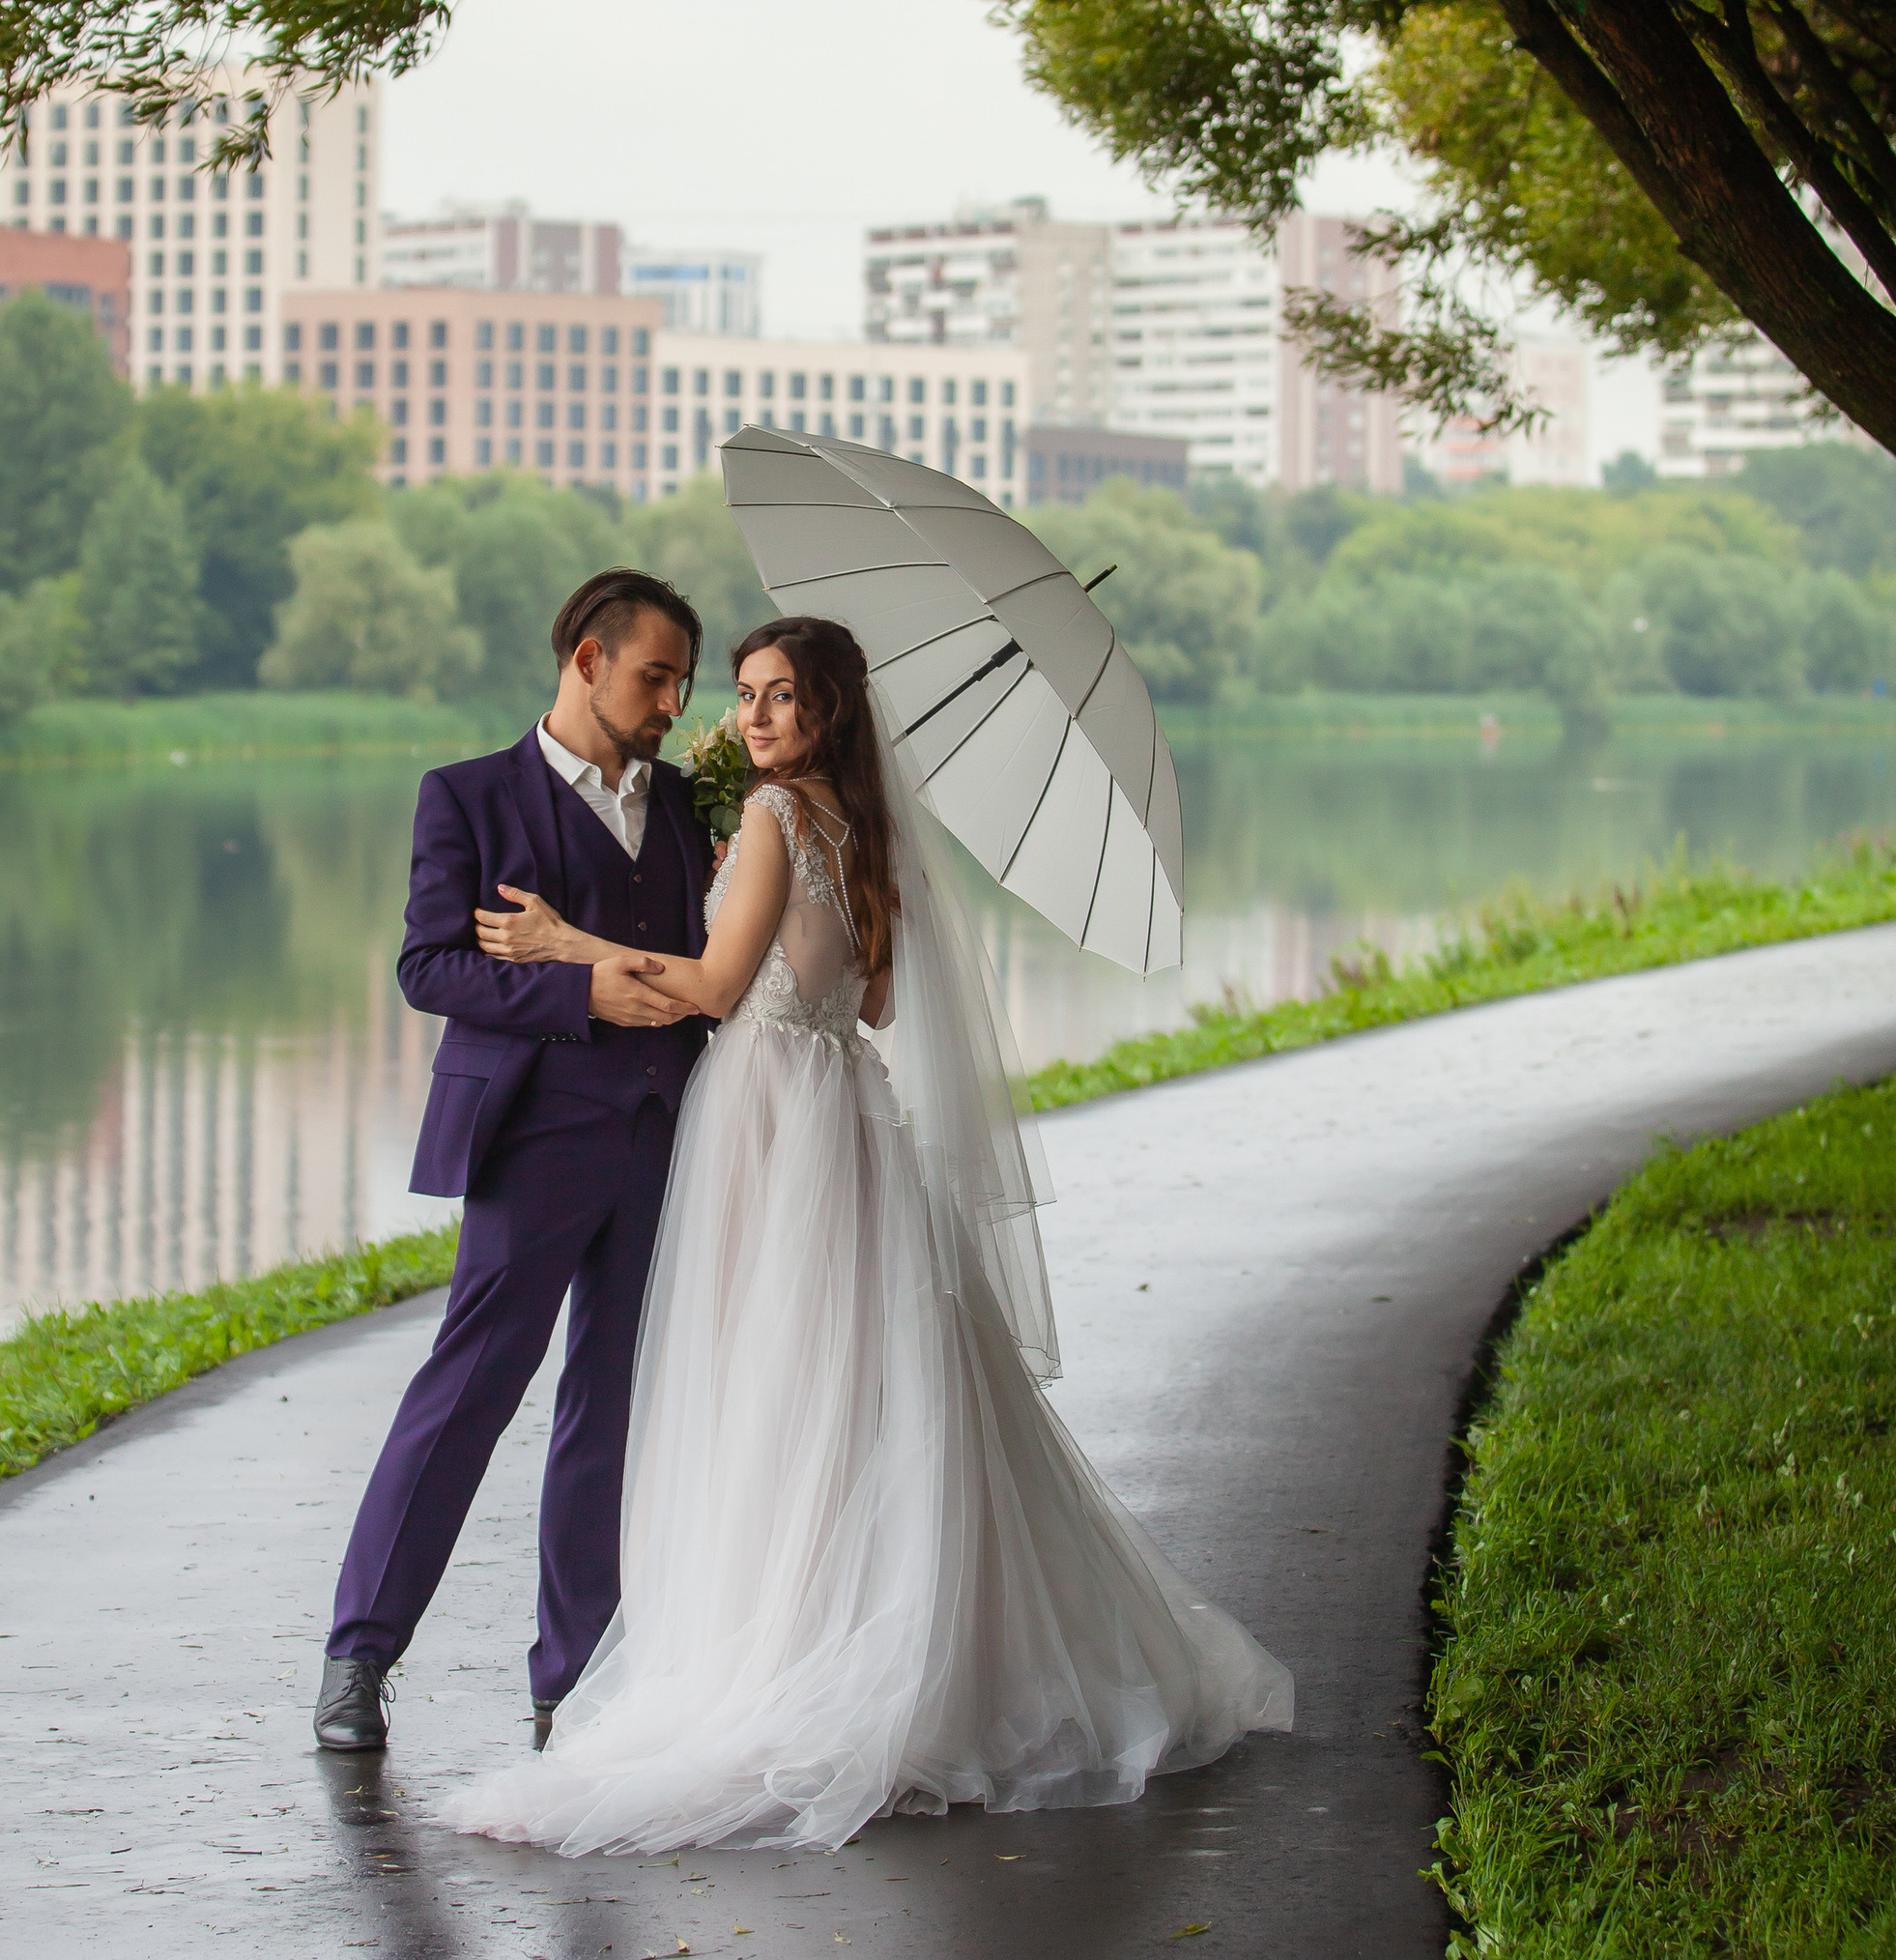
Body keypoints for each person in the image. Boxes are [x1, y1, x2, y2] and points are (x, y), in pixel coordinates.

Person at [445, 612, 1293, 1853]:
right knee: (851, 1374)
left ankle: (790, 1642)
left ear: (830, 706)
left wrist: (568, 942)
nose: (752, 717)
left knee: (782, 1380)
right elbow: (872, 994)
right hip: (841, 1107)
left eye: (779, 695)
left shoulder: (782, 819)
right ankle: (868, 1622)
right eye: (742, 695)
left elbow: (717, 989)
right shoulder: (870, 831)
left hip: (772, 1109)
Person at [312, 571, 710, 1756]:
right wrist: (575, 988)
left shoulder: (690, 806)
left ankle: (572, 1680)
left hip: (666, 1136)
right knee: (470, 1389)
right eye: (655, 676)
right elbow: (430, 968)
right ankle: (359, 1655)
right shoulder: (469, 797)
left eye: (687, 683)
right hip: (532, 1138)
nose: (672, 702)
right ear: (587, 660)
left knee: (613, 1398)